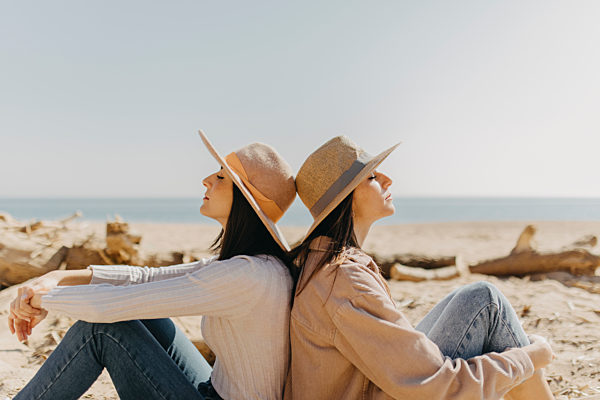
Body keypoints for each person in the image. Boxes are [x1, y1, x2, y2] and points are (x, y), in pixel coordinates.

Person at [8, 131, 297, 400]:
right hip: (214, 387)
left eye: (222, 177)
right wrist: (58, 277)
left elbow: (109, 306)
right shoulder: (253, 265)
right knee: (151, 317)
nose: (207, 179)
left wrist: (42, 299)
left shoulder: (247, 276)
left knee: (100, 331)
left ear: (245, 202)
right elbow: (146, 278)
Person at [284, 136, 555, 400]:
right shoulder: (344, 279)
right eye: (371, 177)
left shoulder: (327, 265)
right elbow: (436, 387)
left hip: (375, 385)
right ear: (345, 199)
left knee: (478, 299)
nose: (387, 179)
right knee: (487, 304)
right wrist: (530, 357)